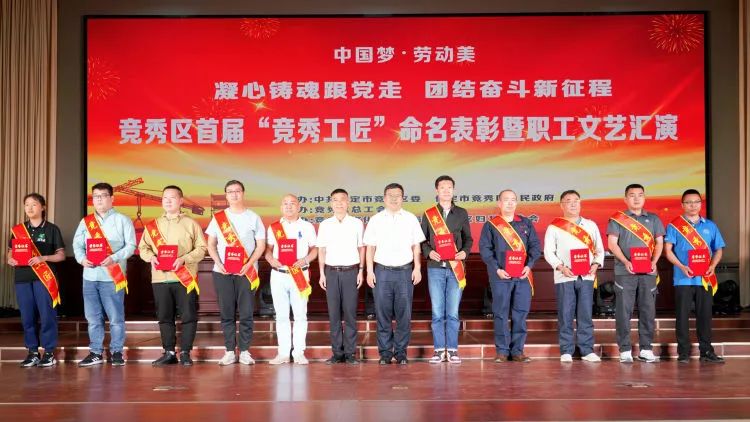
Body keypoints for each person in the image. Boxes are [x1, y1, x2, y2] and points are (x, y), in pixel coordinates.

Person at [138, 185, 207, 366]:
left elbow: (202, 248)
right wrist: (151, 257)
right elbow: (143, 247)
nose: (168, 201)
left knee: (188, 315)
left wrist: (184, 259)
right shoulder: (153, 225)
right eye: (165, 198)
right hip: (160, 278)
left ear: (181, 201)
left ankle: (185, 352)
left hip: (184, 278)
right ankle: (169, 352)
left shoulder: (191, 224)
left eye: (172, 197)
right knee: (164, 316)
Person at [72, 182, 136, 366]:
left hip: (112, 276)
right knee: (93, 318)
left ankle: (117, 352)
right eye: (96, 196)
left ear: (112, 198)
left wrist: (113, 258)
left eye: (103, 195)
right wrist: (81, 259)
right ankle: (95, 352)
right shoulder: (86, 222)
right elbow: (77, 245)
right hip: (90, 277)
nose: (99, 199)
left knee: (115, 318)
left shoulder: (123, 220)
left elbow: (131, 246)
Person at [363, 183, 426, 365]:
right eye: (390, 195)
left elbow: (416, 246)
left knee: (403, 315)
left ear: (402, 198)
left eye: (397, 195)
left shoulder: (410, 219)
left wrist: (417, 268)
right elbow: (370, 248)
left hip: (405, 272)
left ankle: (400, 353)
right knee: (382, 314)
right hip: (382, 272)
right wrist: (369, 271)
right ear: (384, 198)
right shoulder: (376, 220)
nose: (394, 198)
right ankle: (384, 353)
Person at [205, 180, 266, 365]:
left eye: (237, 191)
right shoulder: (218, 218)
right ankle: (230, 351)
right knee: (227, 313)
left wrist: (249, 264)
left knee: (246, 312)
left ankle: (245, 351)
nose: (234, 194)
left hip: (247, 272)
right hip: (222, 272)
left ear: (243, 193)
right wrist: (219, 263)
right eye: (230, 191)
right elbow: (211, 244)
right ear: (226, 195)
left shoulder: (253, 217)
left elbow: (261, 245)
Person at [479, 189, 541, 363]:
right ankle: (502, 351)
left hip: (522, 276)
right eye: (506, 200)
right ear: (499, 203)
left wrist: (529, 266)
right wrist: (497, 269)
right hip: (501, 276)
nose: (510, 203)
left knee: (520, 313)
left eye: (513, 200)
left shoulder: (526, 223)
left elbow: (535, 247)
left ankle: (518, 351)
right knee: (500, 313)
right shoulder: (491, 225)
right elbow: (485, 250)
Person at [664, 189, 725, 364]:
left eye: (696, 202)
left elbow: (718, 249)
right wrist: (681, 266)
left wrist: (712, 266)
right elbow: (668, 251)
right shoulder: (674, 226)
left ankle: (706, 352)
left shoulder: (710, 226)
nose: (693, 205)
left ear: (700, 204)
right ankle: (683, 353)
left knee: (705, 316)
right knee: (682, 317)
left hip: (704, 278)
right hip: (682, 278)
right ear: (682, 205)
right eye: (689, 202)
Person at [543, 190, 604, 363]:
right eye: (568, 201)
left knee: (585, 314)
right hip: (565, 276)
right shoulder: (554, 227)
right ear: (561, 205)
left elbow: (599, 250)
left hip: (586, 276)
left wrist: (595, 264)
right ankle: (566, 350)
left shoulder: (590, 225)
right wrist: (561, 267)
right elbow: (549, 252)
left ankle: (586, 350)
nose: (573, 204)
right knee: (565, 314)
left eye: (576, 200)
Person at [607, 183, 665, 363]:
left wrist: (654, 262)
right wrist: (626, 261)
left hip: (648, 272)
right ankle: (624, 349)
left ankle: (646, 349)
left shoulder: (654, 219)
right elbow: (612, 244)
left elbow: (659, 243)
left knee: (648, 310)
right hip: (625, 271)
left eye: (640, 195)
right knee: (623, 311)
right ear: (625, 199)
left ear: (644, 197)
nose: (636, 198)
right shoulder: (617, 219)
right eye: (632, 195)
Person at [7, 193, 65, 367]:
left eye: (34, 204)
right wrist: (10, 259)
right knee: (27, 317)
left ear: (43, 207)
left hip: (44, 278)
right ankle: (32, 352)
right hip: (22, 278)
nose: (30, 208)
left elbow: (61, 255)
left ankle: (49, 352)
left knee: (47, 316)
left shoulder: (52, 229)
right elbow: (10, 252)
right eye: (27, 205)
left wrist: (43, 258)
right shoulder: (18, 230)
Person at [420, 175, 473, 364]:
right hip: (435, 268)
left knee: (452, 312)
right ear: (437, 190)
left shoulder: (462, 213)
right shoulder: (429, 214)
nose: (446, 190)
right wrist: (429, 252)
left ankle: (452, 350)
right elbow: (422, 240)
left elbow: (468, 239)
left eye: (449, 187)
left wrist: (465, 252)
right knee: (437, 312)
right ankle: (438, 351)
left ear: (453, 190)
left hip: (455, 268)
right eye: (442, 187)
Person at [265, 194, 317, 365]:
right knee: (281, 315)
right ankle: (283, 353)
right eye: (285, 203)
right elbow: (268, 249)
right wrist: (270, 259)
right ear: (281, 207)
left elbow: (315, 249)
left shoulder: (307, 226)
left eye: (292, 203)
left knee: (300, 314)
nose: (289, 206)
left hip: (299, 273)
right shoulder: (274, 227)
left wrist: (305, 260)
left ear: (299, 207)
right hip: (279, 274)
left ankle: (299, 352)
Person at [317, 188, 365, 365]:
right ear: (331, 203)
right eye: (335, 200)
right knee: (334, 314)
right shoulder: (325, 224)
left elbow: (361, 248)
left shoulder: (356, 223)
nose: (339, 203)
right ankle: (337, 353)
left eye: (342, 199)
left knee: (350, 313)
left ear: (348, 202)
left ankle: (350, 353)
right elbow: (321, 250)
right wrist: (321, 273)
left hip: (351, 272)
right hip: (331, 272)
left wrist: (361, 270)